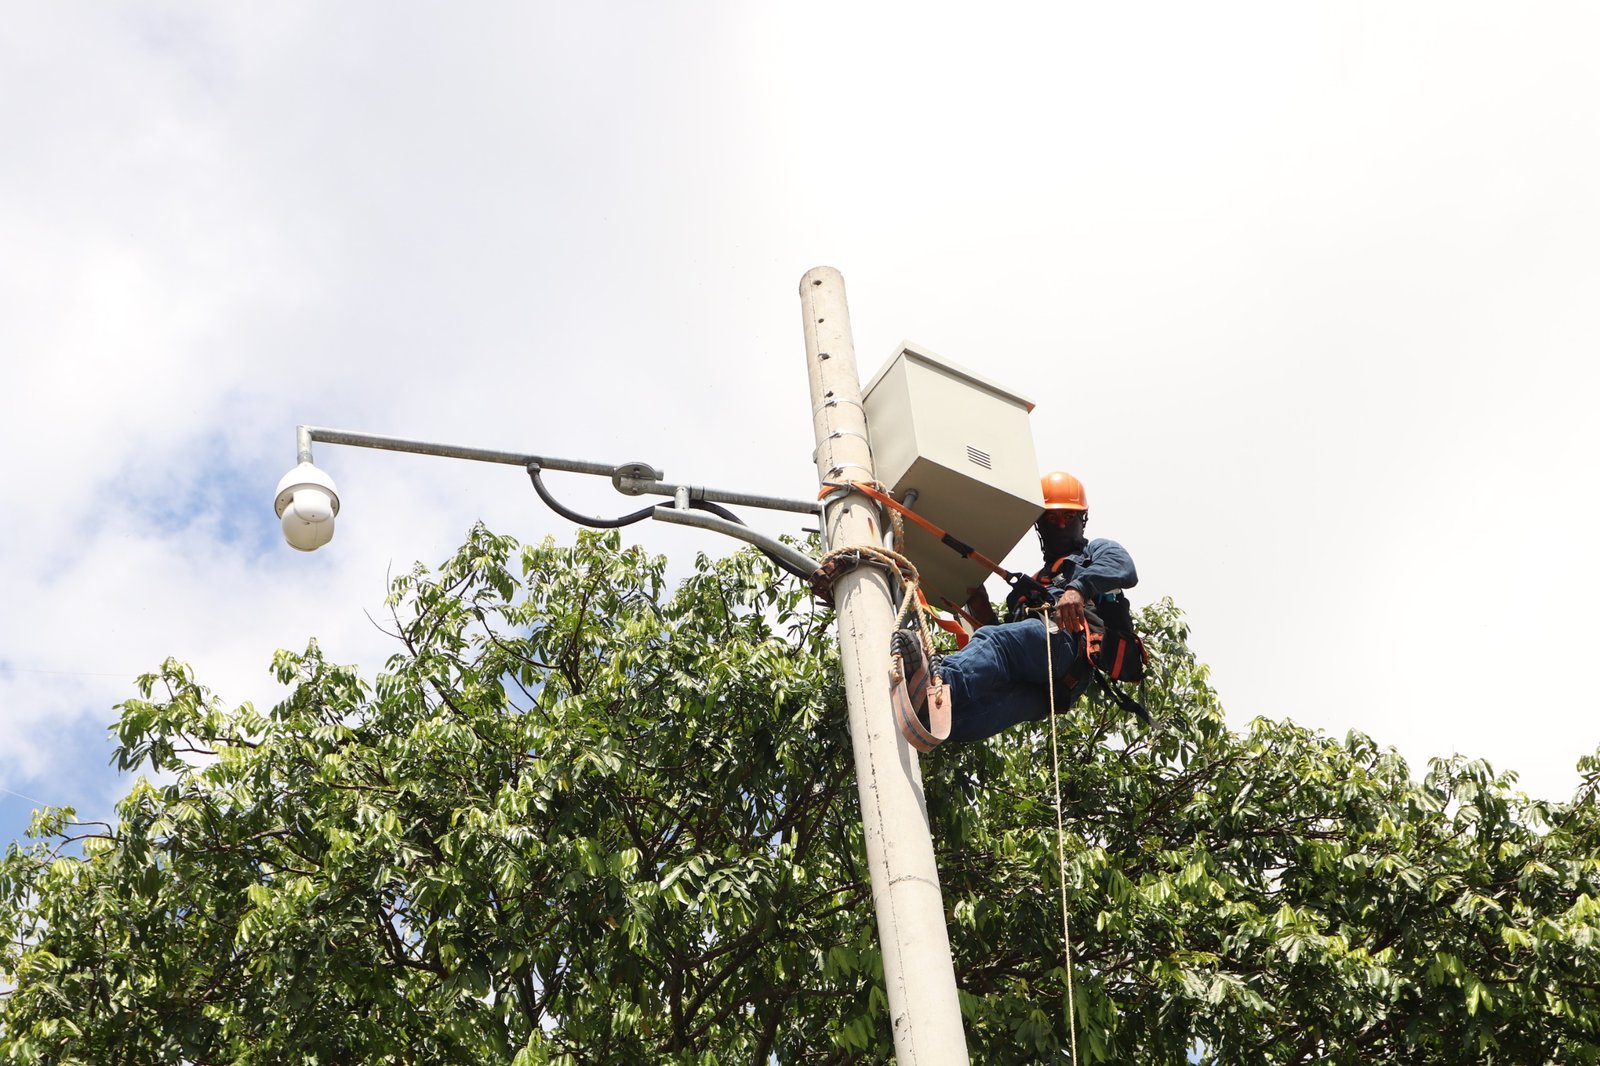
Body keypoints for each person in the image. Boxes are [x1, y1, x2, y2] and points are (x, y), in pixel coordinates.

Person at [894, 471, 1138, 744]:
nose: (1060, 525)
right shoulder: (1029, 589)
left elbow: (1123, 567)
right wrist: (981, 608)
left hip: (1069, 647)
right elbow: (1005, 651)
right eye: (1052, 518)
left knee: (997, 644)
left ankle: (938, 682)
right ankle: (926, 718)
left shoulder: (1095, 552)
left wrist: (1077, 589)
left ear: (1082, 520)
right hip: (1050, 687)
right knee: (975, 709)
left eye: (1068, 517)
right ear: (1040, 525)